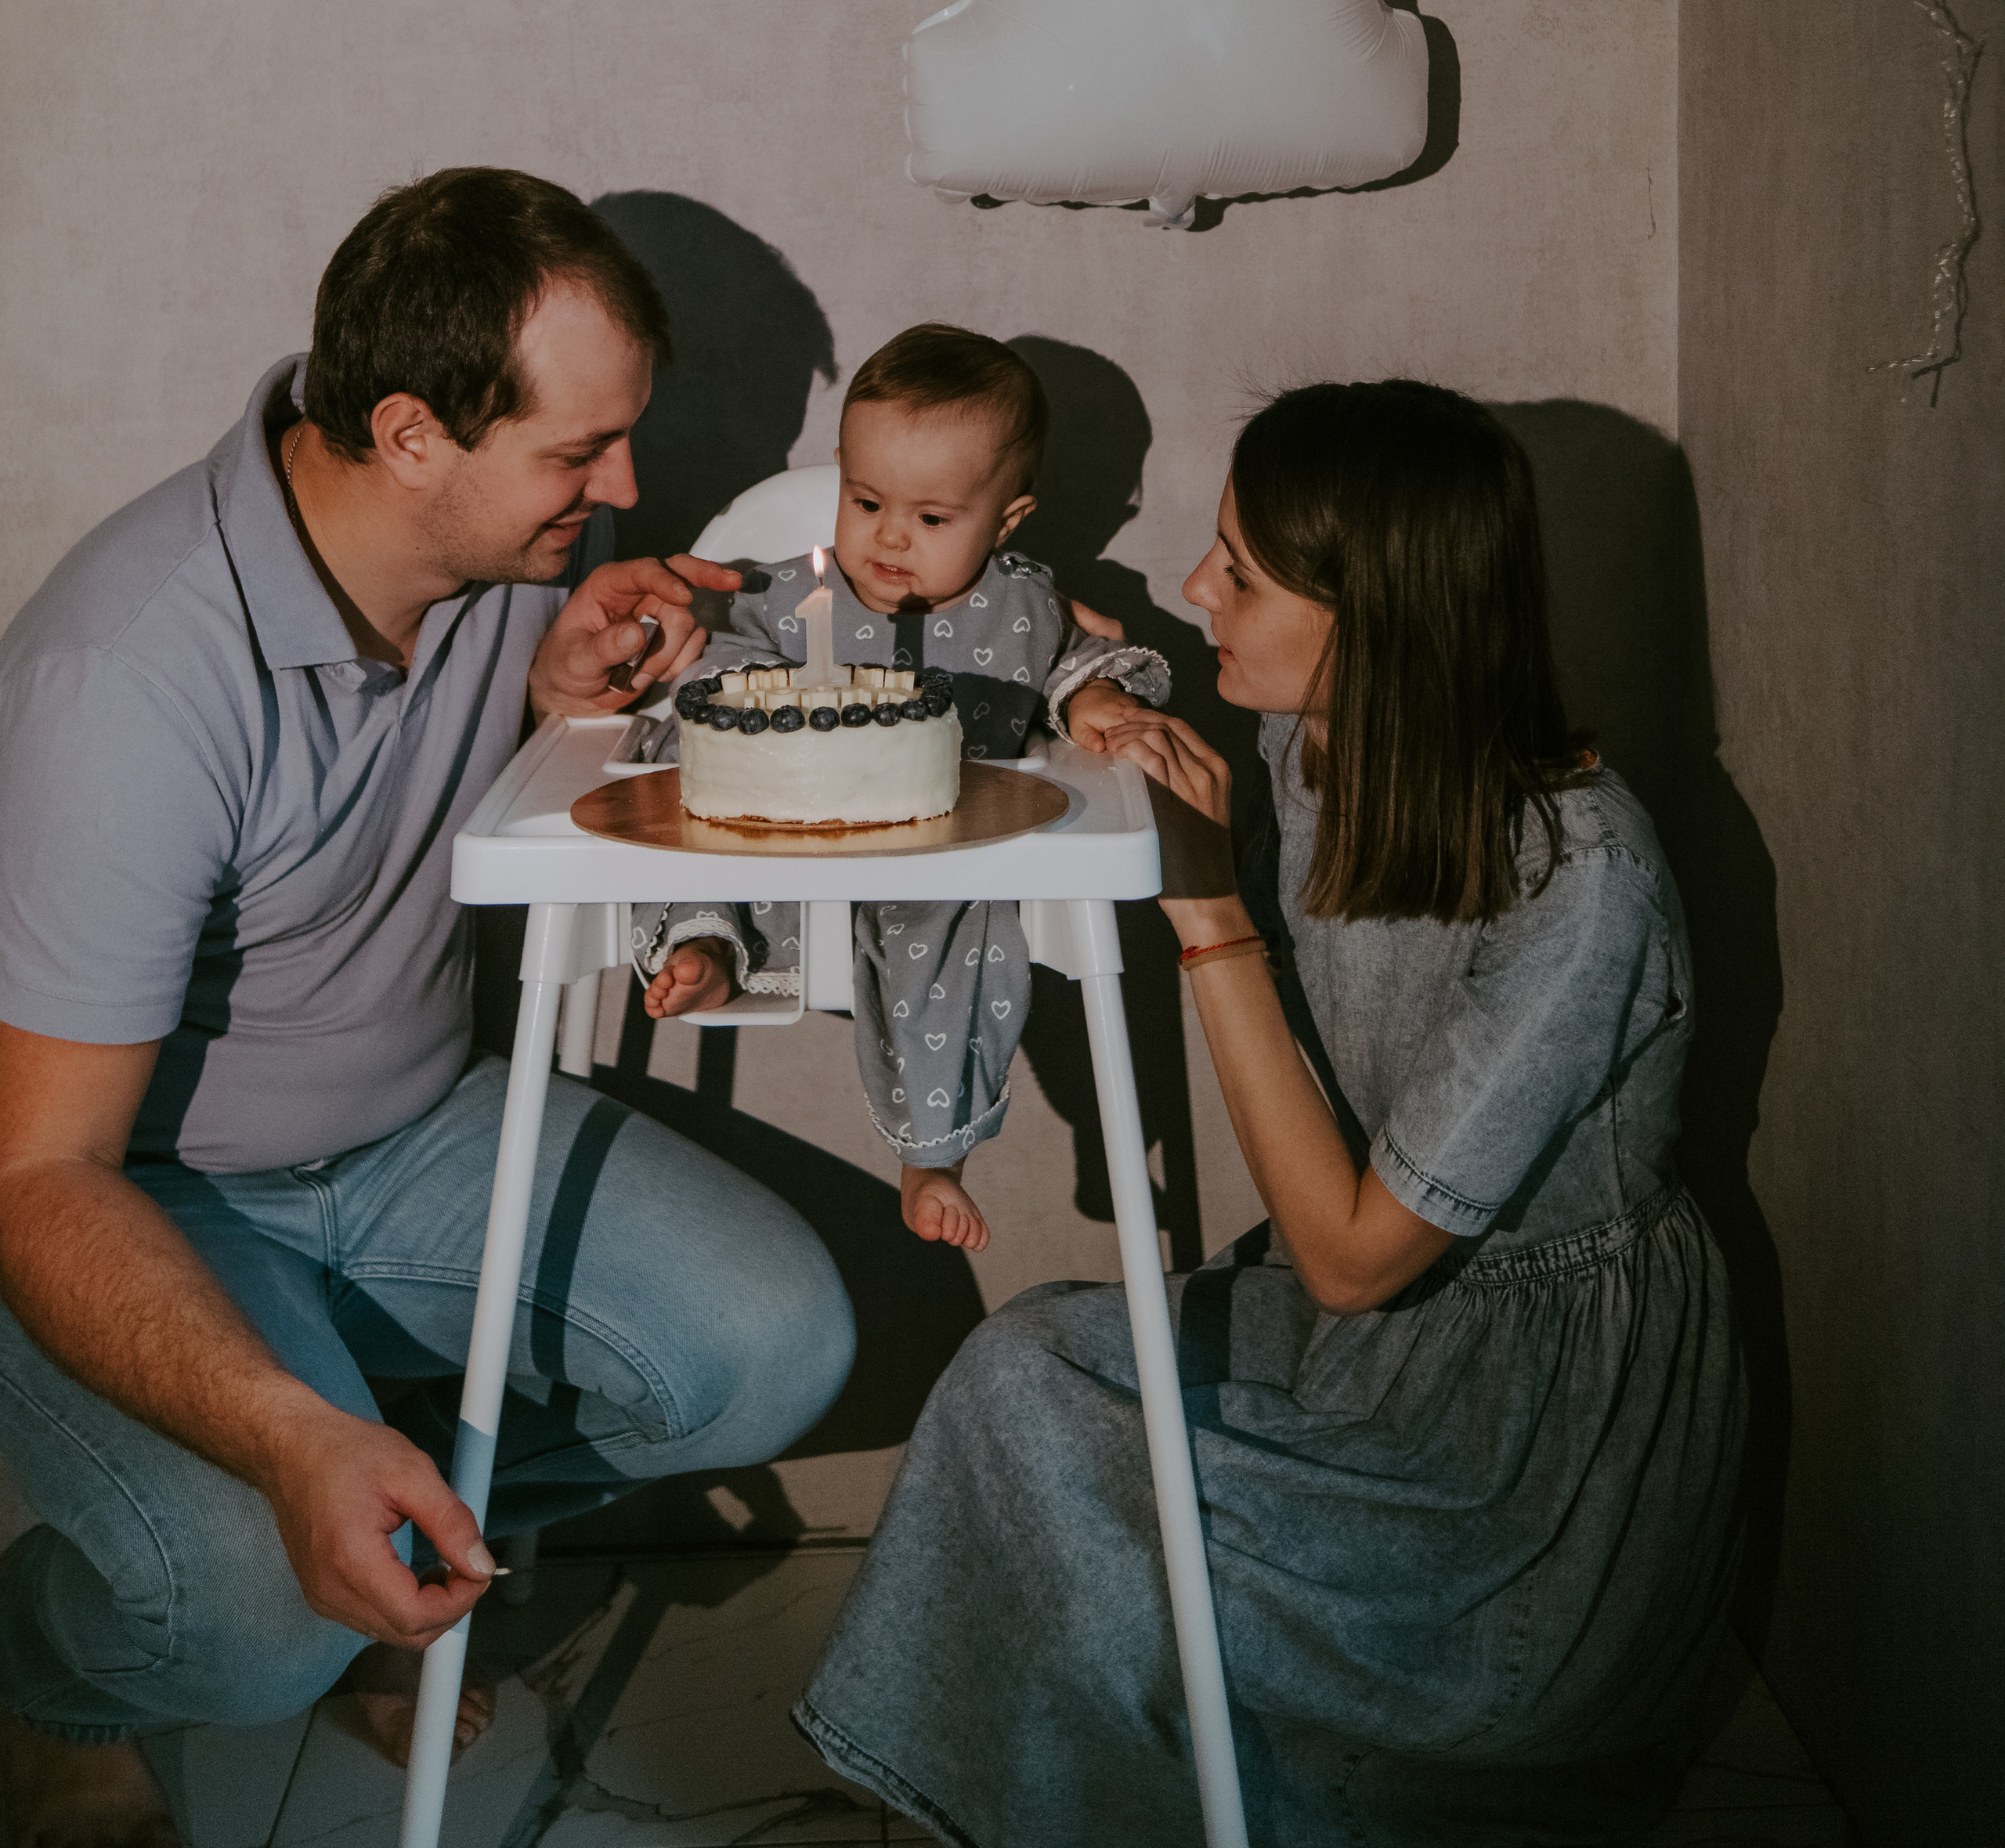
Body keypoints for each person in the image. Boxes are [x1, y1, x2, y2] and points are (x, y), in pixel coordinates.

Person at [0, 170, 854, 1848]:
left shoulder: (531, 549)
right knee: (252, 1625)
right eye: (575, 454)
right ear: (406, 433)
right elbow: (38, 1176)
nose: (617, 486)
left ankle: (395, 1554)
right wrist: (281, 1435)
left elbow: (507, 765)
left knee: (771, 1349)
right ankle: (55, 1674)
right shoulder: (130, 679)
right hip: (131, 1193)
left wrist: (558, 706)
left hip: (413, 1130)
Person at [796, 381, 1748, 1846]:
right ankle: (971, 1809)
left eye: (1241, 568)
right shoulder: (1318, 752)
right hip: (1370, 1347)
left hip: (1524, 1467)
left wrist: (1209, 910)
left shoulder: (1581, 878)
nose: (1192, 590)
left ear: (1380, 614)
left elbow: (1360, 1257)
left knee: (1099, 1525)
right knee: (1020, 1367)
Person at [636, 324, 1171, 1251]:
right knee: (696, 797)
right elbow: (711, 650)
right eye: (866, 500)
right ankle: (707, 946)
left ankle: (933, 1155)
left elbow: (1082, 663)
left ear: (1004, 521)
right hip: (788, 824)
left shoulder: (1021, 607)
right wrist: (713, 674)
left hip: (942, 848)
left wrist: (1092, 701)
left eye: (931, 520)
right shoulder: (794, 593)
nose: (888, 537)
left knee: (959, 937)